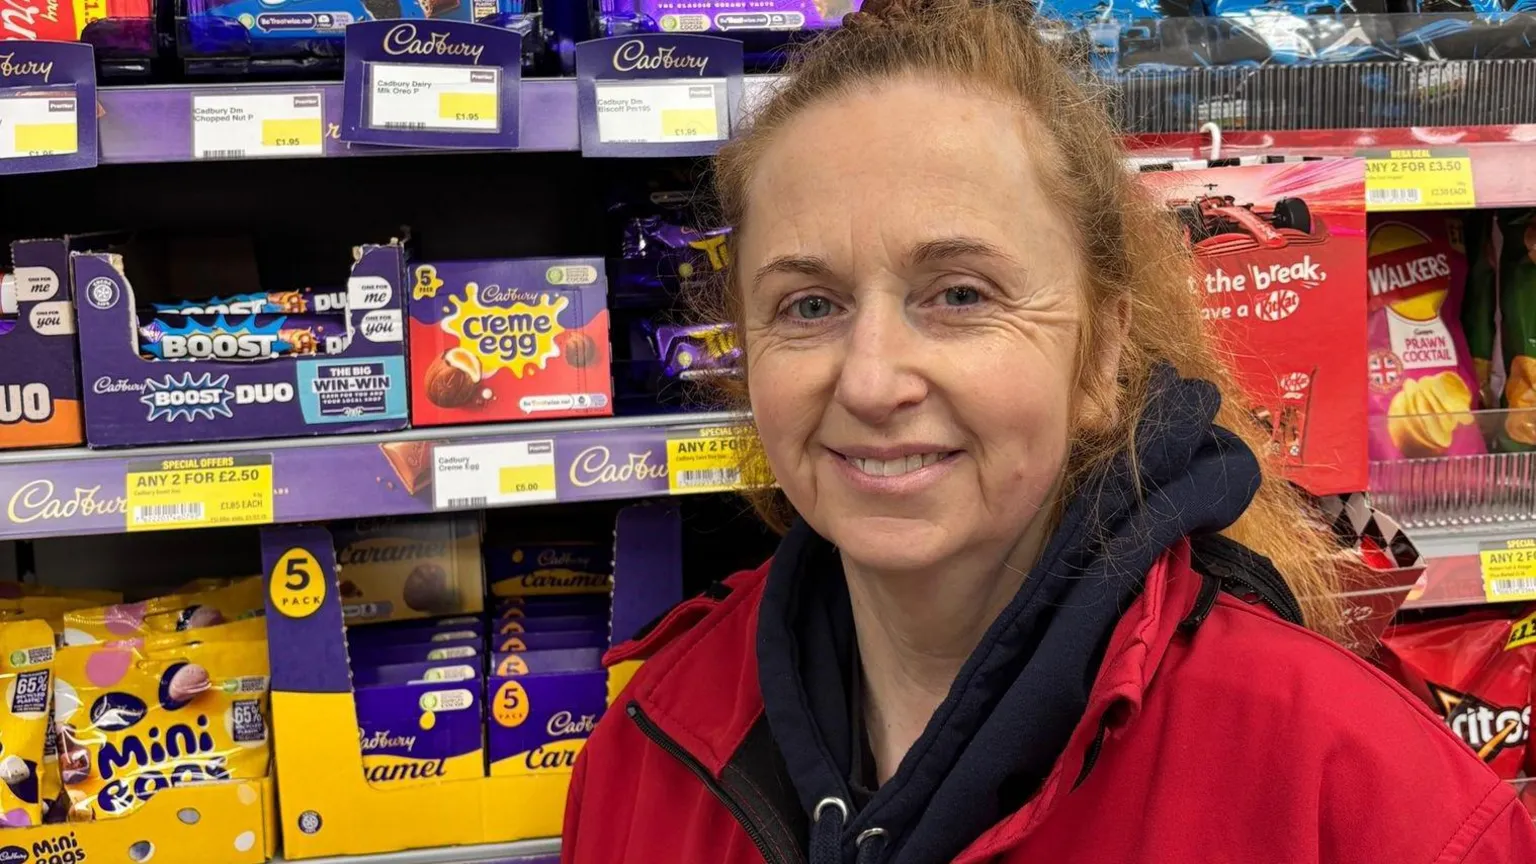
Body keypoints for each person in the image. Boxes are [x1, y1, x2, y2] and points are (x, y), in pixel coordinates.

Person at [561, 0, 1536, 861]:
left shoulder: (1360, 800)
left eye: (959, 293)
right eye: (809, 306)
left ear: (1103, 355)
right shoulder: (646, 751)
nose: (870, 379)